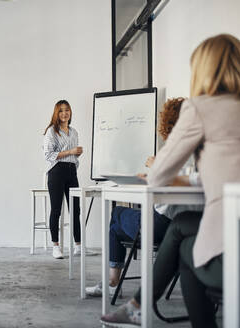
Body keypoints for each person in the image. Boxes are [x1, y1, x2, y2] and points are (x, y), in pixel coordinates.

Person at [101, 33, 240, 327]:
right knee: (181, 227)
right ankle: (138, 305)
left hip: (233, 246)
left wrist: (161, 174)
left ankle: (138, 306)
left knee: (185, 249)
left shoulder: (201, 107)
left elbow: (158, 175)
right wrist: (188, 180)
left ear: (204, 69)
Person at [86, 97, 203, 298]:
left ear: (170, 124)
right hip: (193, 226)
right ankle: (116, 283)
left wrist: (155, 168)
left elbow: (164, 183)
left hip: (161, 226)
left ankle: (113, 282)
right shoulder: (203, 150)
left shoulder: (175, 151)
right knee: (122, 219)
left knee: (116, 214)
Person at [43, 100, 95, 259]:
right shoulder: (52, 131)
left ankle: (79, 246)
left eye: (67, 110)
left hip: (71, 171)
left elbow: (72, 154)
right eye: (61, 111)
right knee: (56, 209)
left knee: (76, 210)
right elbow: (48, 154)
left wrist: (76, 154)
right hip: (56, 172)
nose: (64, 113)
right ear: (56, 113)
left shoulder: (74, 132)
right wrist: (70, 151)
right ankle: (55, 246)